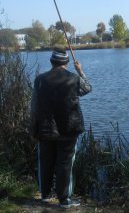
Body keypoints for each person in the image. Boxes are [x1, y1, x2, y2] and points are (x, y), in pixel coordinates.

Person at [29, 47, 92, 209]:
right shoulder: (73, 78)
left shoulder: (40, 80)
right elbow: (87, 88)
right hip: (69, 130)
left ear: (52, 61)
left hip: (44, 130)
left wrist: (33, 129)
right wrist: (80, 71)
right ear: (66, 62)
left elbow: (34, 106)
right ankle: (64, 200)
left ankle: (44, 195)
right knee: (65, 164)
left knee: (45, 162)